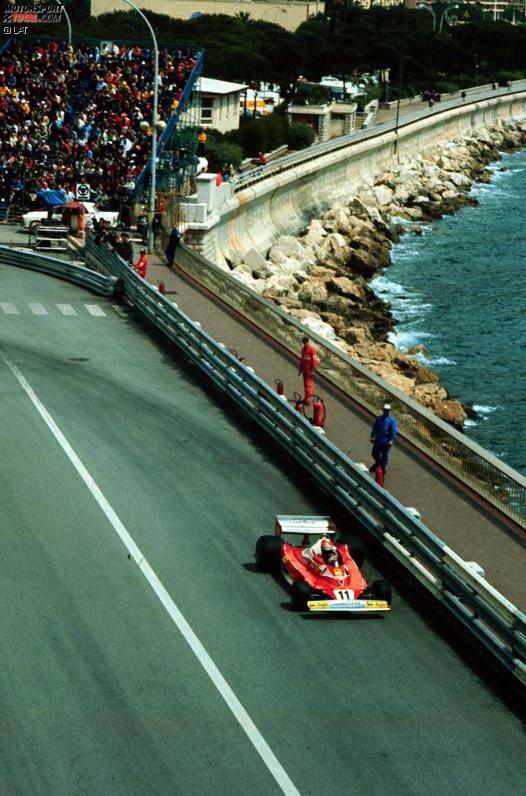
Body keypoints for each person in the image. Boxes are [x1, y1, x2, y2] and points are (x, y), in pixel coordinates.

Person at [370, 403, 398, 473]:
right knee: (374, 453)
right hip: (378, 439)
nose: (386, 411)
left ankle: (382, 467)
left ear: (389, 411)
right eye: (385, 410)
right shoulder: (379, 418)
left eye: (387, 410)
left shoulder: (391, 421)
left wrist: (391, 440)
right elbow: (375, 428)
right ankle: (378, 463)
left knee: (384, 456)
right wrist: (372, 436)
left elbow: (394, 431)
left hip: (386, 441)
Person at [299, 335, 318, 403]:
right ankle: (307, 397)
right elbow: (302, 359)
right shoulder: (303, 349)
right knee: (306, 384)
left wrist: (313, 371)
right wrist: (300, 369)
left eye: (305, 343)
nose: (304, 344)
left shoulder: (312, 349)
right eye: (303, 343)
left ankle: (308, 400)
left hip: (309, 370)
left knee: (308, 384)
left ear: (307, 342)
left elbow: (314, 361)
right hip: (305, 370)